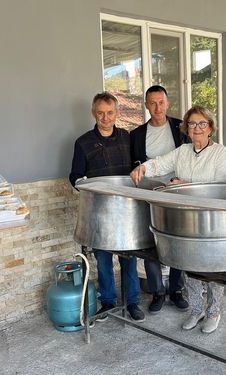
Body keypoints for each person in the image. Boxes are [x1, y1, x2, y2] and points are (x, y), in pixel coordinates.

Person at [130, 105, 226, 334]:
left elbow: (219, 187)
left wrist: (184, 186)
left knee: (214, 268)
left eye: (202, 123)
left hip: (211, 218)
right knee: (189, 265)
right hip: (186, 218)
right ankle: (196, 310)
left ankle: (214, 311)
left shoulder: (219, 152)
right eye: (192, 124)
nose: (197, 128)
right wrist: (142, 168)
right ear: (186, 127)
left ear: (210, 127)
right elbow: (160, 163)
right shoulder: (182, 151)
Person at [69, 91, 145, 323]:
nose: (105, 117)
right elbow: (74, 175)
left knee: (129, 258)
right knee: (103, 259)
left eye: (110, 112)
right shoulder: (83, 142)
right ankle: (109, 301)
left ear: (117, 113)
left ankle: (132, 302)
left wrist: (140, 169)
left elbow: (137, 166)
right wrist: (82, 184)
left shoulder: (127, 137)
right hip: (99, 211)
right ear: (94, 113)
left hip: (126, 210)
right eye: (100, 113)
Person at [129, 85, 190, 314]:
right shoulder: (136, 135)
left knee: (177, 240)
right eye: (152, 103)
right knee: (151, 241)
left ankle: (176, 289)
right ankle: (157, 292)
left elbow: (189, 155)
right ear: (146, 105)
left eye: (161, 102)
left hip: (176, 192)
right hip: (149, 195)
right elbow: (134, 164)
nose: (157, 107)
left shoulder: (180, 127)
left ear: (167, 103)